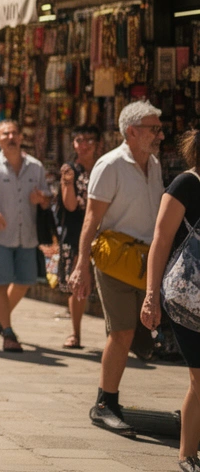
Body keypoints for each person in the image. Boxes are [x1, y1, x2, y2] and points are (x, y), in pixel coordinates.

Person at [70, 100, 166, 435]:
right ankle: (104, 404)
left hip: (147, 262)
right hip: (115, 261)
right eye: (154, 129)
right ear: (132, 131)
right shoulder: (110, 165)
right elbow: (91, 220)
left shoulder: (153, 163)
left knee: (141, 333)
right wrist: (81, 265)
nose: (161, 134)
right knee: (121, 332)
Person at [142, 130, 200, 472]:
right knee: (199, 378)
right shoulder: (185, 184)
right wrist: (151, 297)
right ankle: (186, 454)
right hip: (187, 300)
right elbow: (160, 241)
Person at [0, 120, 53, 353]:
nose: (11, 137)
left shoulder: (35, 167)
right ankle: (8, 332)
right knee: (0, 283)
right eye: (5, 134)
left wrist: (42, 199)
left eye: (14, 133)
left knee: (25, 281)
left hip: (26, 235)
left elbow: (47, 198)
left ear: (20, 137)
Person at [57, 125, 101, 349]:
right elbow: (70, 205)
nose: (84, 145)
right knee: (79, 285)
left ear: (98, 144)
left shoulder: (105, 168)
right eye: (79, 140)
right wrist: (67, 182)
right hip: (78, 232)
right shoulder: (70, 170)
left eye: (89, 140)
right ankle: (75, 333)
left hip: (105, 232)